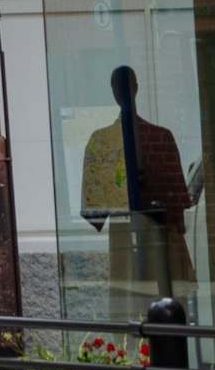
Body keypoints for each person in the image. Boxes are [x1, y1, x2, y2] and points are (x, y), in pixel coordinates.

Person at [78, 63, 202, 298]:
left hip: (157, 232)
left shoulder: (156, 137)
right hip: (134, 233)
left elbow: (177, 203)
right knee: (145, 302)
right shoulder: (104, 141)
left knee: (157, 302)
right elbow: (94, 210)